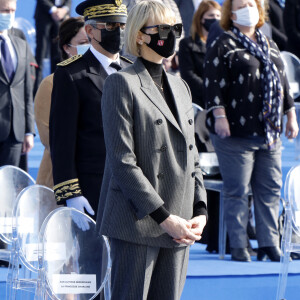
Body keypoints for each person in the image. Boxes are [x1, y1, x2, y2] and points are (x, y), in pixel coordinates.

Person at [97, 1, 207, 299]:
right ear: (139, 35)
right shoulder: (121, 83)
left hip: (180, 223)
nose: (169, 35)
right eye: (161, 29)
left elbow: (192, 156)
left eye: (176, 28)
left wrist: (200, 209)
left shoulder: (181, 87)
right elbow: (123, 162)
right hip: (139, 223)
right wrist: (164, 218)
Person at [203, 0, 298, 262]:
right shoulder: (223, 44)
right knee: (238, 190)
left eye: (252, 4)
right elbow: (212, 85)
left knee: (269, 188)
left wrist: (290, 115)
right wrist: (220, 115)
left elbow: (283, 84)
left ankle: (269, 243)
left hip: (269, 132)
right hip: (234, 132)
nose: (249, 9)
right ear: (230, 14)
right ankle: (239, 245)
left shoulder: (269, 43)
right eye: (242, 5)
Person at [49, 0, 131, 218]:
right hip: (93, 186)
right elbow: (62, 140)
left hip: (134, 187)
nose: (119, 32)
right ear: (89, 30)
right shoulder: (71, 74)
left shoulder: (133, 71)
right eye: (111, 26)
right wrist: (71, 193)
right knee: (95, 252)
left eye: (123, 26)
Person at [34, 17, 89, 188]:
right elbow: (50, 138)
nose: (89, 47)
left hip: (94, 179)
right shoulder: (51, 83)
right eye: (83, 42)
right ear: (66, 47)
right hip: (58, 182)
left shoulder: (102, 80)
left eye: (92, 42)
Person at [0, 0, 35, 167]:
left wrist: (29, 130)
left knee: (8, 188)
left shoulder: (20, 44)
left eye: (13, 10)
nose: (10, 15)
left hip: (15, 132)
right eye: (5, 10)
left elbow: (26, 91)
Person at [178, 0, 221, 107]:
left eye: (218, 15)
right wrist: (212, 91)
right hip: (198, 102)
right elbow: (188, 75)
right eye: (211, 15)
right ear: (201, 18)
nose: (215, 18)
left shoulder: (224, 45)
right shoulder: (187, 44)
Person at [34, 0, 71, 94]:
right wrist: (53, 9)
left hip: (61, 17)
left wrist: (64, 9)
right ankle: (36, 91)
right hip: (44, 15)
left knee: (59, 55)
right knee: (41, 54)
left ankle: (57, 90)